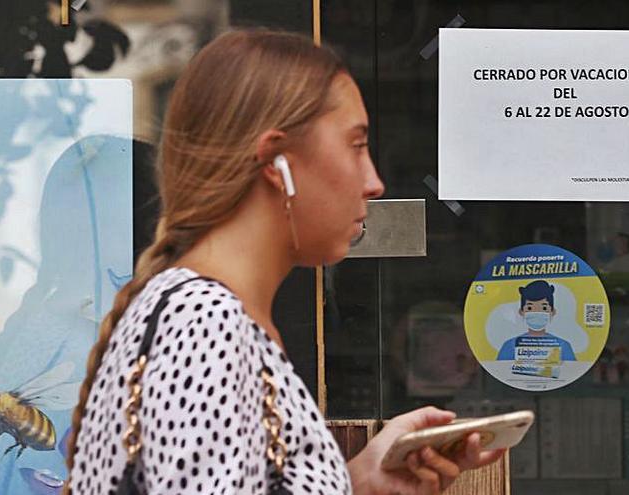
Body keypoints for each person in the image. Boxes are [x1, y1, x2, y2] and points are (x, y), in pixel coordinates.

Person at [64, 30, 503, 495]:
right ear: (277, 162)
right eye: (356, 145)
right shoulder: (205, 323)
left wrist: (360, 481)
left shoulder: (203, 314)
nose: (374, 181)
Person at [497, 280, 576, 361]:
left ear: (552, 312)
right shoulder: (509, 346)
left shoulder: (564, 346)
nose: (537, 312)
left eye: (544, 308)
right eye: (529, 308)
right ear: (521, 312)